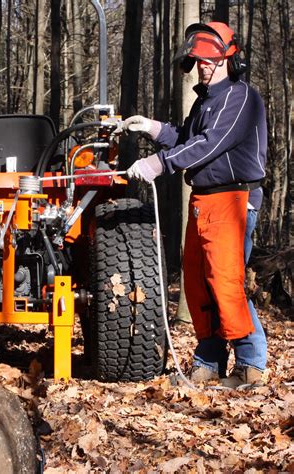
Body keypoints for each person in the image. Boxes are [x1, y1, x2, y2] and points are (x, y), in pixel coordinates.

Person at [124, 22, 268, 388]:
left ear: (227, 59)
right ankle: (208, 361)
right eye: (199, 61)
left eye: (209, 61)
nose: (203, 66)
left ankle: (251, 364)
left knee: (225, 280)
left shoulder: (241, 97)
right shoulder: (206, 100)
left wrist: (159, 163)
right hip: (205, 199)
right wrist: (154, 128)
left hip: (234, 198)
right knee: (199, 282)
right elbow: (187, 138)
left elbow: (208, 143)